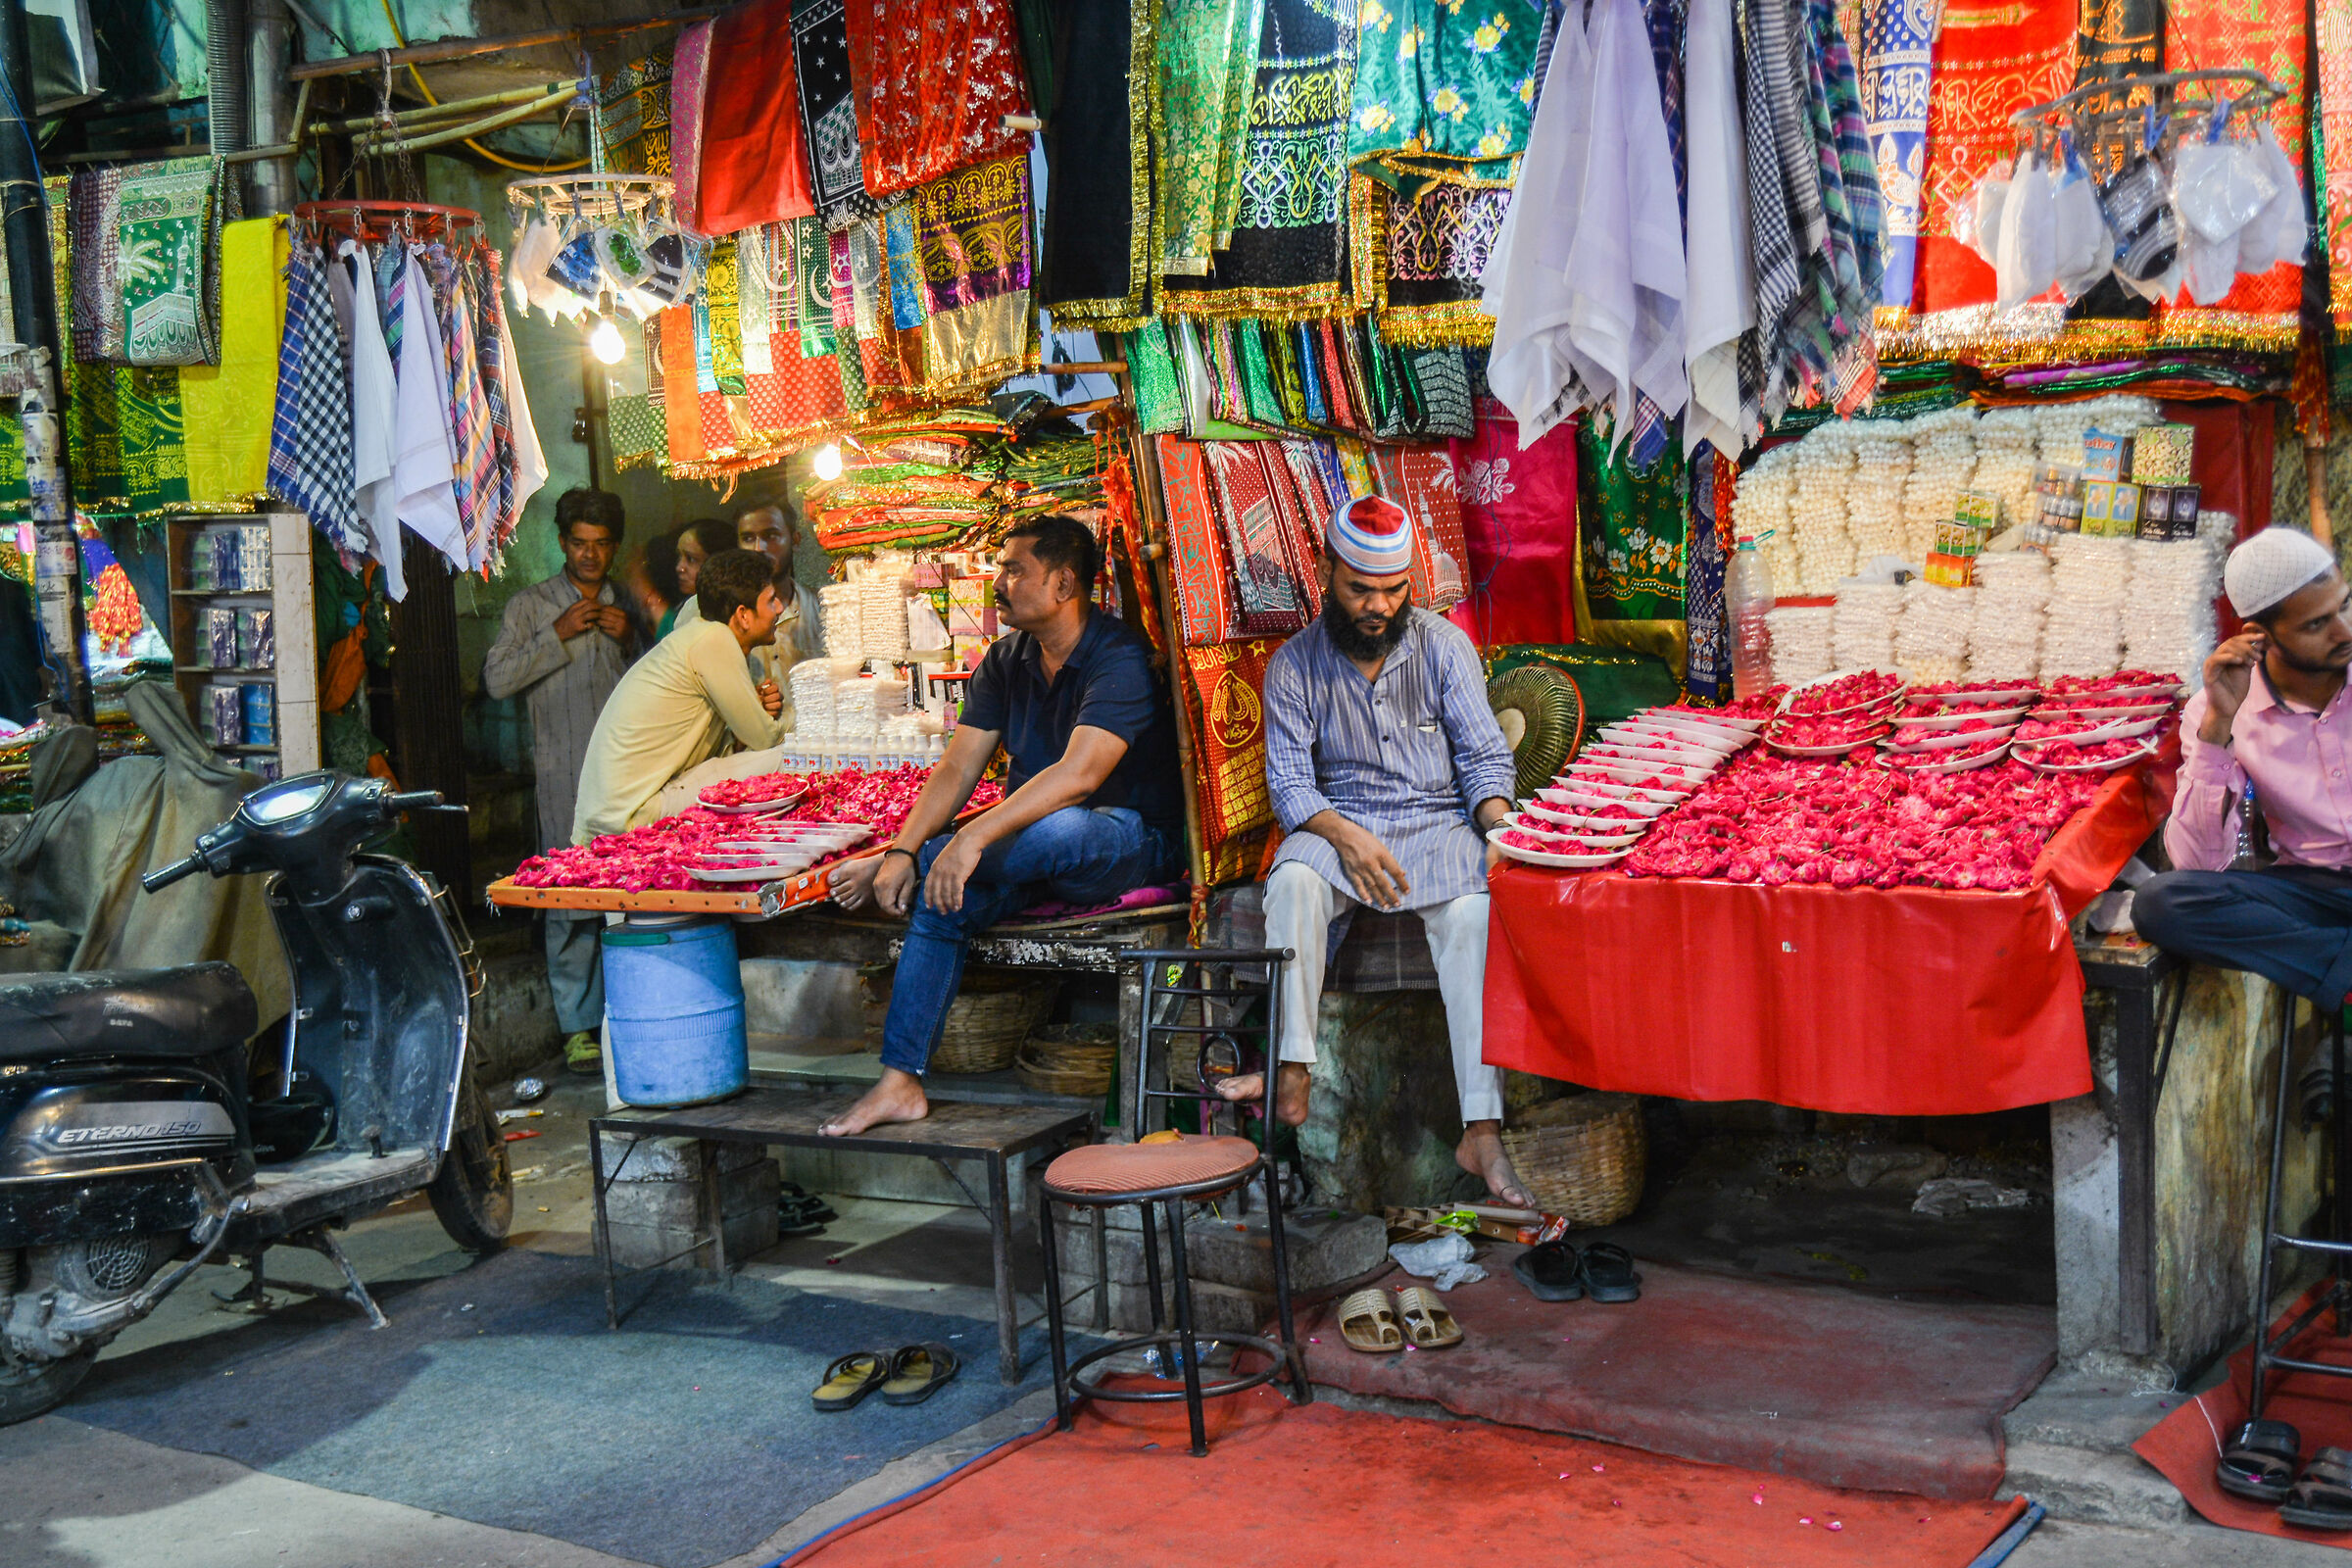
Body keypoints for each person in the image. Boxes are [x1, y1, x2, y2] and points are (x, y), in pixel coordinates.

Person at [818, 515, 1183, 1136]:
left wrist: (965, 839)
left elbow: (1079, 775)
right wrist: (911, 847)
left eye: (1015, 569)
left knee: (1061, 831)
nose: (999, 581)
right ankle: (900, 1082)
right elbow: (959, 766)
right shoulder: (1005, 659)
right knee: (945, 900)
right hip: (1022, 852)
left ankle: (912, 860)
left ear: (1064, 583)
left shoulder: (1115, 656)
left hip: (1123, 842)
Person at [1214, 494, 1531, 1208]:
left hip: (1435, 825)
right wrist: (1343, 836)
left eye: (1392, 591)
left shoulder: (1445, 646)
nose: (1377, 606)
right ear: (1326, 571)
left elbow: (1483, 759)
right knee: (1293, 881)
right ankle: (1293, 1066)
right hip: (1337, 824)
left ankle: (1481, 1129)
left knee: (1475, 919)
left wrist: (1499, 830)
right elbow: (1291, 785)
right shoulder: (1293, 665)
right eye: (1360, 589)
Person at [2137, 527, 2352, 1008]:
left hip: (2316, 921)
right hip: (2311, 892)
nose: (2344, 630)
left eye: (2345, 605)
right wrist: (2218, 725)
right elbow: (2198, 866)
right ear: (2260, 636)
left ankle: (2335, 970)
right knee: (2161, 904)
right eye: (2317, 625)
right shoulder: (2218, 711)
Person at [482, 488, 634, 1076]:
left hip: (626, 778)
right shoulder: (530, 605)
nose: (589, 556)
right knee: (569, 897)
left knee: (629, 893)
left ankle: (624, 1017)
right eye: (578, 543)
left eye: (600, 545)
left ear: (613, 546)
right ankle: (577, 1029)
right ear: (562, 542)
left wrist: (629, 639)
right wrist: (558, 634)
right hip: (560, 774)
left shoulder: (628, 606)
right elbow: (497, 679)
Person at [571, 549, 791, 844]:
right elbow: (765, 738)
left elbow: (724, 748)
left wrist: (752, 710)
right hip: (632, 816)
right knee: (788, 757)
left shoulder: (698, 635)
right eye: (770, 600)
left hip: (610, 816)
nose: (779, 609)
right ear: (742, 615)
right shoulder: (714, 639)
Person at [659, 517, 737, 638]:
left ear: (717, 564)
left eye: (691, 559)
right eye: (679, 556)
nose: (679, 568)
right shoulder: (681, 607)